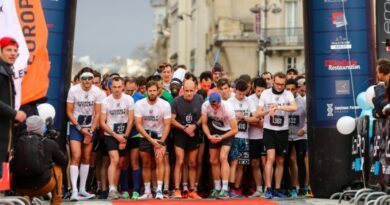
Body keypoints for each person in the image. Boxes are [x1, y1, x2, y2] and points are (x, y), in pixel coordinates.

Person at [66, 67, 105, 201]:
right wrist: (80, 128)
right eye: (84, 78)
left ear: (93, 80)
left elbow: (98, 112)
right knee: (76, 156)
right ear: (80, 79)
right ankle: (74, 191)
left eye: (90, 79)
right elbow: (69, 111)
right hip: (76, 126)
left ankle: (82, 189)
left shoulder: (97, 92)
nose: (87, 81)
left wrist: (91, 131)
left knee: (87, 157)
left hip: (90, 127)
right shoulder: (74, 90)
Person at [257, 72, 297, 199]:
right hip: (269, 129)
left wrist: (279, 107)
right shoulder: (266, 93)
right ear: (273, 82)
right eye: (277, 84)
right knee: (271, 158)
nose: (280, 87)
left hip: (283, 130)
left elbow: (294, 107)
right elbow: (258, 112)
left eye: (282, 84)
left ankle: (277, 188)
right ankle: (268, 188)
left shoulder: (288, 94)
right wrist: (269, 111)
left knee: (280, 160)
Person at [12, 116, 66, 205]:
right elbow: (63, 161)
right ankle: (56, 202)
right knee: (57, 167)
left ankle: (26, 197)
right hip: (43, 187)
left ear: (28, 127)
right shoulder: (50, 143)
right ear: (42, 128)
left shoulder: (19, 142)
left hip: (20, 187)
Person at [134, 80, 171, 199]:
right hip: (145, 136)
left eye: (154, 91)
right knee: (145, 164)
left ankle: (159, 190)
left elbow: (167, 125)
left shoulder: (165, 104)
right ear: (146, 92)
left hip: (160, 136)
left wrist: (160, 142)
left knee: (160, 162)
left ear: (158, 91)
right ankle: (148, 191)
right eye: (150, 91)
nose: (152, 93)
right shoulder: (139, 104)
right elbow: (138, 125)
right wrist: (150, 140)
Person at [100, 77, 134, 200]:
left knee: (120, 163)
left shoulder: (129, 100)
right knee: (114, 159)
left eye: (119, 87)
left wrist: (124, 137)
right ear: (110, 87)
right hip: (111, 134)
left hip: (124, 134)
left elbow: (131, 119)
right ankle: (111, 189)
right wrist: (116, 136)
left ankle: (114, 188)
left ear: (123, 87)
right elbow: (102, 123)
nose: (117, 89)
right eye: (114, 87)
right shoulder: (105, 101)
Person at [201, 92, 238, 199]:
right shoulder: (205, 106)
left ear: (220, 102)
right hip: (215, 130)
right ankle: (217, 188)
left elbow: (235, 129)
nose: (214, 106)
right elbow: (204, 123)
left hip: (228, 131)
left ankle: (225, 188)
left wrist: (222, 137)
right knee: (213, 160)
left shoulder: (227, 108)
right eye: (212, 104)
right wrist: (209, 136)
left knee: (223, 157)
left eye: (216, 104)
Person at [171, 80, 203, 199]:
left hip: (194, 133)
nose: (189, 93)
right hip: (180, 134)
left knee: (192, 163)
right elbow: (171, 120)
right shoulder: (176, 102)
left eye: (191, 91)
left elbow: (203, 116)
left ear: (195, 90)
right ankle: (177, 189)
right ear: (182, 90)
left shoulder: (199, 99)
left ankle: (192, 190)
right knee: (180, 161)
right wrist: (184, 128)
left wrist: (194, 126)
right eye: (186, 91)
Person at [0, 37, 26, 178]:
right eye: (8, 49)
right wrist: (13, 114)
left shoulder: (7, 71)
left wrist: (12, 118)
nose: (12, 53)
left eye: (15, 50)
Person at [227, 80, 258, 198]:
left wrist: (244, 117)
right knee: (233, 163)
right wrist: (236, 118)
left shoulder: (249, 101)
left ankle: (237, 188)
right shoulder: (229, 101)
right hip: (233, 136)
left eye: (243, 94)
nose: (241, 96)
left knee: (241, 164)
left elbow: (255, 118)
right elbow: (226, 120)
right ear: (235, 91)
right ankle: (230, 187)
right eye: (239, 93)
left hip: (245, 136)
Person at [285, 79, 309, 197]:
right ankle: (290, 187)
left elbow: (308, 118)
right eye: (288, 89)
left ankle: (303, 187)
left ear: (297, 89)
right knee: (286, 161)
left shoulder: (303, 102)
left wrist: (304, 129)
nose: (290, 91)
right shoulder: (283, 101)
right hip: (286, 136)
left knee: (301, 160)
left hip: (300, 136)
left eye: (293, 89)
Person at [247, 77, 267, 198]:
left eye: (262, 91)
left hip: (266, 135)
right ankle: (259, 189)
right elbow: (251, 119)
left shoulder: (269, 98)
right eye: (258, 91)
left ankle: (267, 188)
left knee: (265, 163)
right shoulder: (249, 100)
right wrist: (257, 120)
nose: (259, 93)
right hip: (252, 136)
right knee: (254, 163)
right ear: (254, 89)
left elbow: (267, 120)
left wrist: (257, 120)